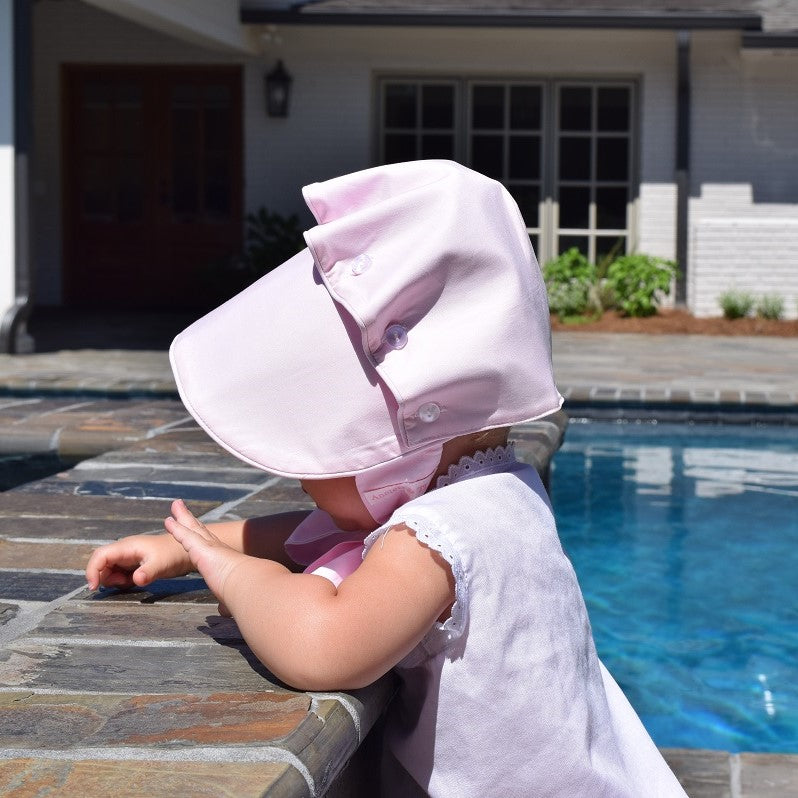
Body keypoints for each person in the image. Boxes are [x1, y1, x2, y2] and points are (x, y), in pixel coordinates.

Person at [86, 161, 687, 797]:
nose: (300, 477)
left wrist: (232, 574)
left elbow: (323, 646)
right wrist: (190, 547)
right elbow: (312, 534)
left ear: (404, 434)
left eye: (318, 446)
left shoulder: (445, 534)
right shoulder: (494, 491)